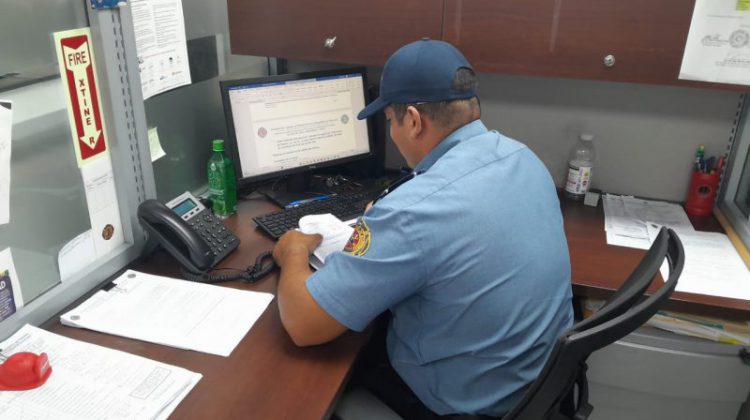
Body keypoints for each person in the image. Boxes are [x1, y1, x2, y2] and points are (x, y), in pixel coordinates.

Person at [272, 39, 573, 418]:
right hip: (535, 388)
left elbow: (303, 325)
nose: (393, 133)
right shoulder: (523, 158)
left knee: (311, 384)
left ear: (413, 121)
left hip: (463, 407)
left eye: (390, 121)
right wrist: (392, 218)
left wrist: (293, 251)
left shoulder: (414, 211)